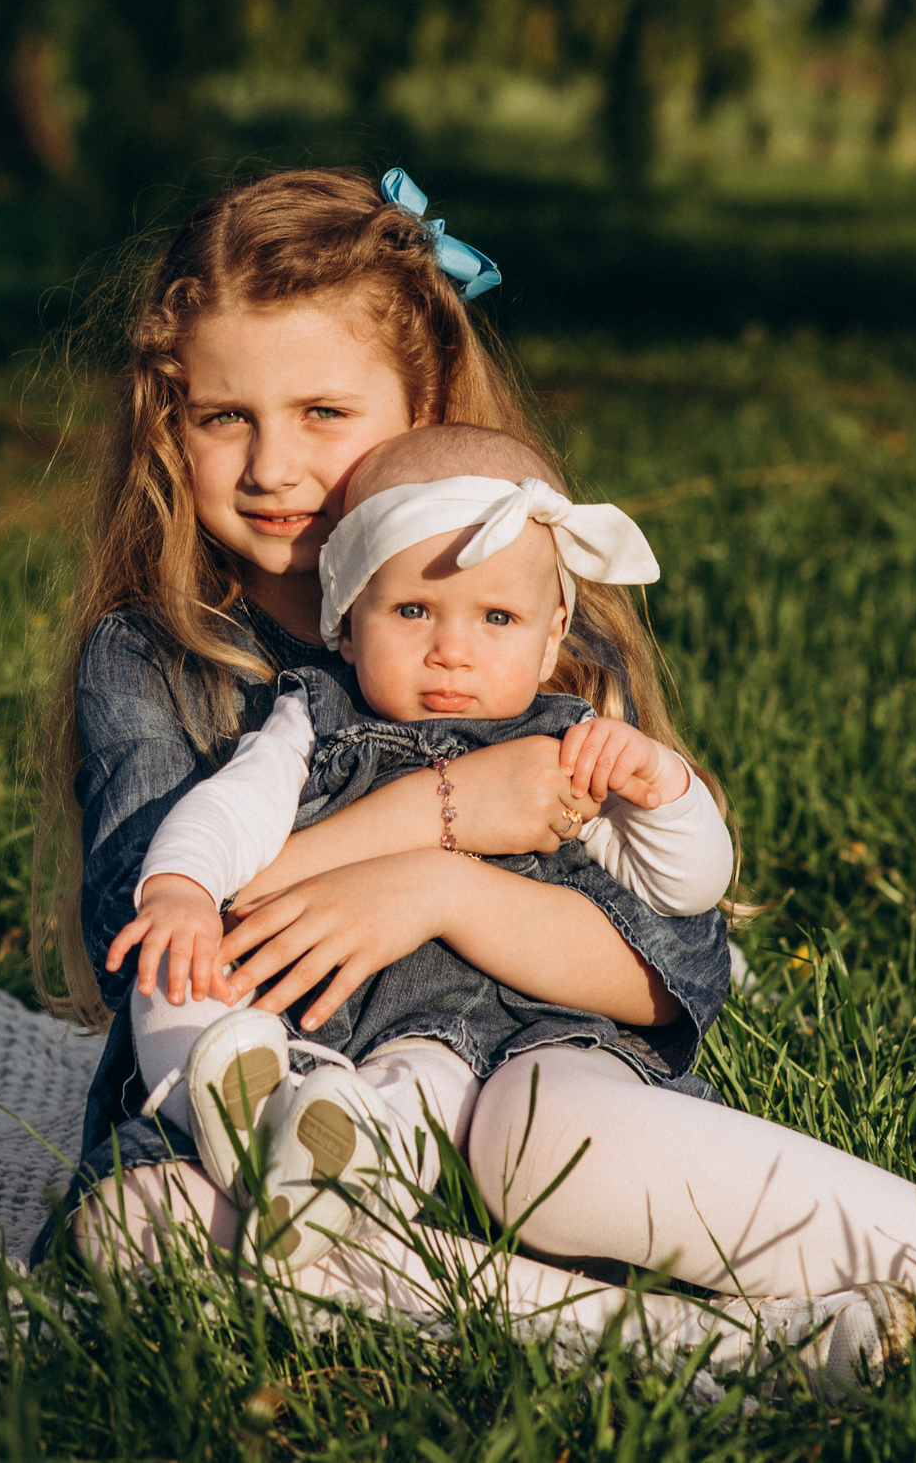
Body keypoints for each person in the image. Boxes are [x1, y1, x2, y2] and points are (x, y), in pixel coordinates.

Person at [33, 165, 916, 1376]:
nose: (274, 466)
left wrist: (442, 880)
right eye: (224, 417)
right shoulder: (155, 655)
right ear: (169, 422)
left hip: (523, 1071)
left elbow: (673, 960)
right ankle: (719, 1359)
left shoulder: (532, 631)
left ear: (422, 411)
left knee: (551, 1128)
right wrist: (435, 812)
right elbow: (145, 940)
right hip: (269, 1118)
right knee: (142, 1233)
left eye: (323, 411)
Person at [110, 422, 737, 1276]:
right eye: (411, 610)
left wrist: (665, 789)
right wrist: (179, 888)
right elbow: (230, 807)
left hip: (452, 1026)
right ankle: (249, 1113)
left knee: (430, 1079)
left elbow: (687, 887)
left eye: (497, 616)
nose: (452, 647)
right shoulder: (309, 716)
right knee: (176, 980)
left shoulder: (566, 752)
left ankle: (342, 1160)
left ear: (553, 635)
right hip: (281, 1008)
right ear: (345, 620)